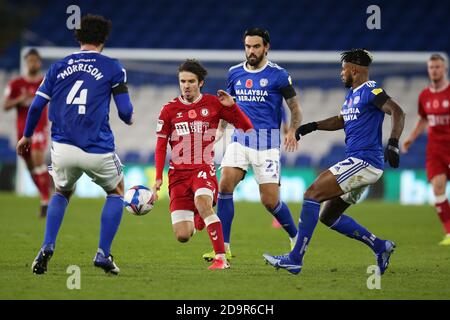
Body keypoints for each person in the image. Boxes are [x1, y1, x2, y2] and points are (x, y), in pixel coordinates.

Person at [263, 49, 405, 275]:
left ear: (354, 69)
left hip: (364, 160)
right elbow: (341, 120)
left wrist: (394, 142)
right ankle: (380, 246)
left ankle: (295, 258)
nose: (341, 73)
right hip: (360, 162)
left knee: (311, 194)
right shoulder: (352, 95)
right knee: (328, 216)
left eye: (344, 69)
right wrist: (312, 126)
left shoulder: (370, 90)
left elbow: (397, 111)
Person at [17, 14, 134, 275]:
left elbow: (36, 106)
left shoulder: (58, 66)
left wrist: (26, 136)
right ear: (104, 39)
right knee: (116, 193)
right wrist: (129, 117)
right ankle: (103, 253)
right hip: (97, 147)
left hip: (63, 147)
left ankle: (47, 246)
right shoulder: (113, 67)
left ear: (78, 37)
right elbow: (125, 112)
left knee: (61, 192)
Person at [202, 28, 302, 262]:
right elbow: (228, 106)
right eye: (247, 46)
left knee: (269, 201)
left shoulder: (279, 75)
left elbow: (294, 108)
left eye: (256, 46)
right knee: (224, 185)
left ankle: (296, 237)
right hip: (240, 139)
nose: (251, 51)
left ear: (266, 47)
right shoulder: (234, 73)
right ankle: (223, 247)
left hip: (267, 144)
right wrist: (220, 130)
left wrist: (293, 130)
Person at [152, 59, 253, 270]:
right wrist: (158, 178)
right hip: (178, 174)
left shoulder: (214, 104)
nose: (186, 85)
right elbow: (161, 146)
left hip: (202, 169)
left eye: (191, 81)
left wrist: (233, 108)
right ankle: (199, 215)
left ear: (200, 83)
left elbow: (246, 127)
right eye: (182, 81)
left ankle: (221, 259)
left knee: (203, 203)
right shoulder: (169, 110)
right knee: (183, 235)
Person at [403, 53, 450, 246]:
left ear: (444, 68)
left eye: (438, 67)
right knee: (438, 187)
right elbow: (423, 119)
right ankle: (449, 232)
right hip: (435, 149)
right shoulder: (425, 95)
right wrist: (410, 139)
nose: (434, 70)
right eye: (431, 67)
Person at [4, 49, 51, 218]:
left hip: (39, 127)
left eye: (36, 61)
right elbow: (5, 105)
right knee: (31, 167)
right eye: (30, 61)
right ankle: (45, 195)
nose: (33, 64)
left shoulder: (44, 81)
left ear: (39, 63)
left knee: (38, 159)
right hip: (22, 131)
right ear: (26, 62)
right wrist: (21, 99)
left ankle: (46, 200)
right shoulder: (16, 84)